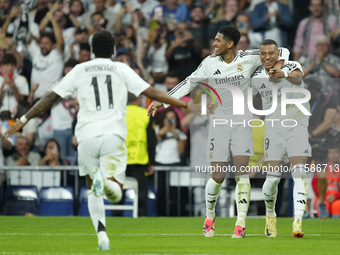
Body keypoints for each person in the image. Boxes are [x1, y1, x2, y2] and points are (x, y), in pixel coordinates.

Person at [5, 30, 189, 250]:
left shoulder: (79, 69)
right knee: (116, 190)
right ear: (113, 50)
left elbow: (50, 98)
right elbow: (153, 92)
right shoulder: (121, 68)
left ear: (92, 50)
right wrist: (184, 104)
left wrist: (23, 119)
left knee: (93, 190)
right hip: (113, 136)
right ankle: (110, 183)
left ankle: (102, 236)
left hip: (87, 137)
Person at [148, 25, 290, 238]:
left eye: (217, 40)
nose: (213, 43)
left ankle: (240, 224)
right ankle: (209, 216)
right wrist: (162, 101)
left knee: (242, 173)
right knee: (218, 176)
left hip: (243, 124)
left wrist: (278, 65)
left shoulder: (250, 58)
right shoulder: (209, 63)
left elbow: (284, 51)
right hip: (219, 125)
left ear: (230, 44)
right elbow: (188, 83)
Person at [251, 39, 310, 238]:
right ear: (259, 55)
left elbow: (297, 78)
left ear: (278, 54)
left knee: (299, 172)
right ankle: (270, 217)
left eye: (271, 53)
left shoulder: (292, 65)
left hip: (297, 126)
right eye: (263, 53)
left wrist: (282, 73)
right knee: (273, 179)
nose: (267, 57)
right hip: (274, 129)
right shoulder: (257, 75)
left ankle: (298, 222)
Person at [306, 78, 337, 218]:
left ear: (316, 90)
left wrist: (311, 134)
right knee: (300, 176)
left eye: (310, 91)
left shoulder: (328, 99)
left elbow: (328, 122)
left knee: (322, 175)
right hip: (303, 140)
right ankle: (304, 209)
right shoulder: (302, 98)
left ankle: (322, 202)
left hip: (321, 141)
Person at [125, 92, 156, 216]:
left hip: (121, 159)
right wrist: (152, 162)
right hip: (140, 159)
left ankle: (116, 216)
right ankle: (141, 216)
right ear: (138, 100)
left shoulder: (118, 114)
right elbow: (151, 140)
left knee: (118, 192)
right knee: (141, 193)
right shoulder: (145, 114)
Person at [312, 145, 340, 218]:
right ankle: (322, 223)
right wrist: (325, 196)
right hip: (322, 197)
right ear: (326, 154)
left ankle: (335, 226)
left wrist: (335, 196)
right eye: (330, 152)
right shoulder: (321, 167)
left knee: (337, 205)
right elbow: (314, 184)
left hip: (337, 198)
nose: (333, 155)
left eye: (335, 152)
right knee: (322, 204)